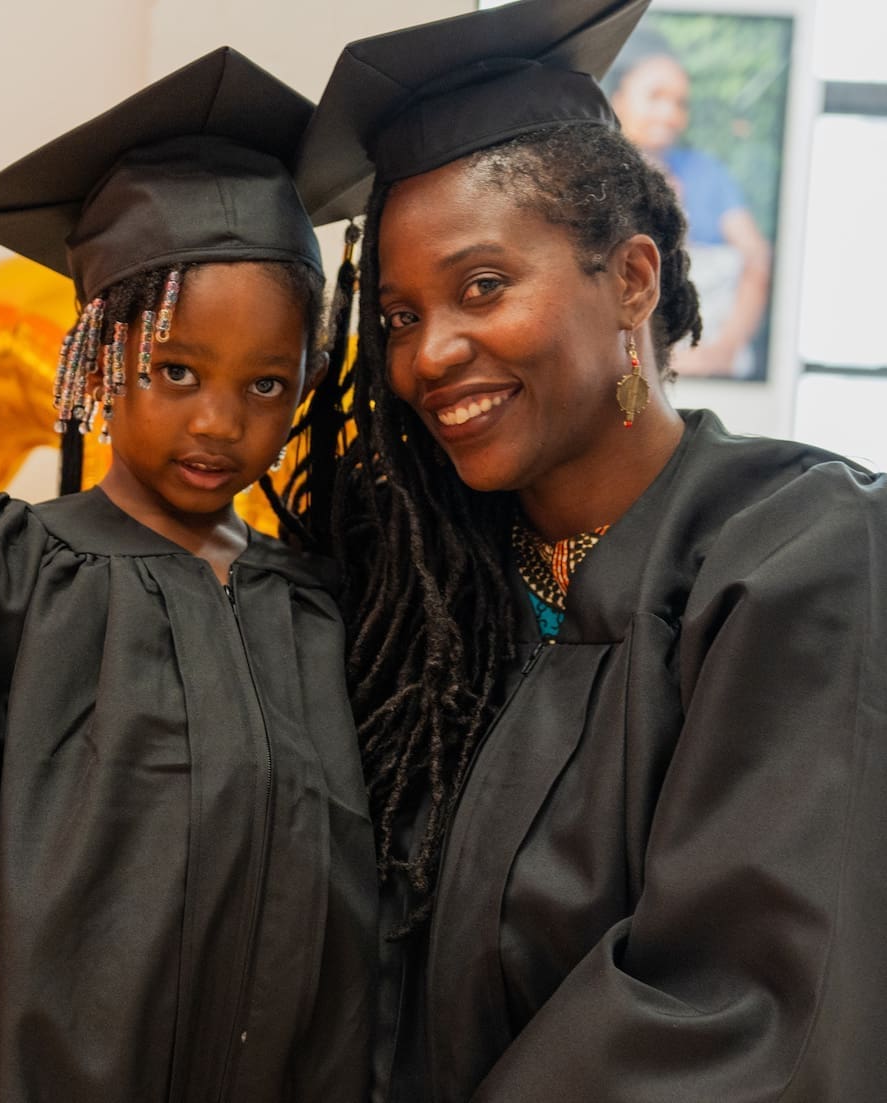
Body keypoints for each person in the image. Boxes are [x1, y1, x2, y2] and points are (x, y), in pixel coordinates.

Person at [292, 0, 887, 1099]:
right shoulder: (419, 594)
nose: (430, 354)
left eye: (481, 287)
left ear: (631, 279)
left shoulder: (798, 552)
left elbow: (744, 1003)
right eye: (398, 317)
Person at [0, 48, 376, 1103]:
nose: (216, 420)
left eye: (265, 384)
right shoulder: (18, 568)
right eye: (175, 368)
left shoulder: (309, 602)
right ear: (100, 358)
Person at [606, 26, 773, 379]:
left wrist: (722, 351)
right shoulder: (596, 177)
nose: (670, 115)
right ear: (617, 98)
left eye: (680, 103)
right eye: (655, 97)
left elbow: (756, 259)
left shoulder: (707, 174)